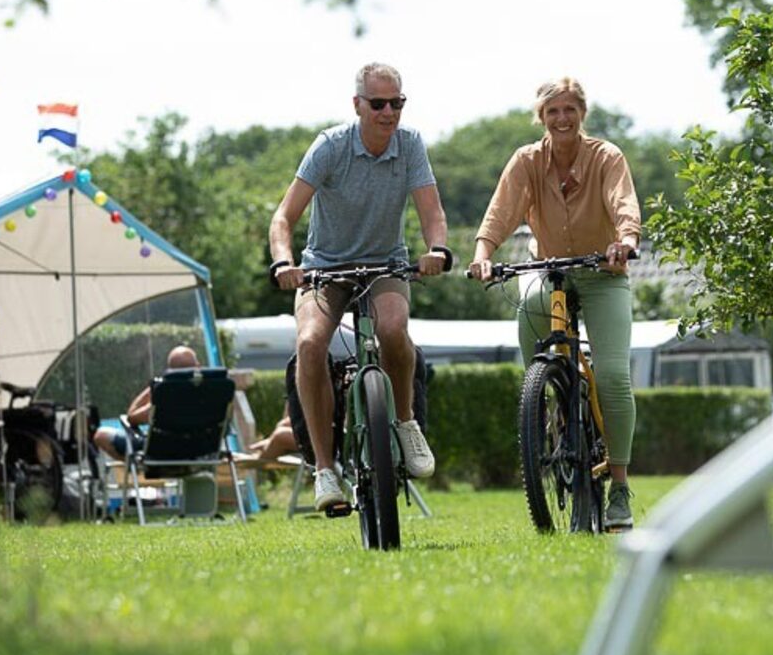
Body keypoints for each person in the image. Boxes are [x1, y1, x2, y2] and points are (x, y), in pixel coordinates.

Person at [268, 62, 451, 512]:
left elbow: (432, 213)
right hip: (325, 268)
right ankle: (325, 470)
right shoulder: (330, 146)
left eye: (397, 103)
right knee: (310, 344)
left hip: (384, 263)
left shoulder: (410, 146)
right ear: (358, 105)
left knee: (393, 329)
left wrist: (438, 250)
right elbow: (283, 218)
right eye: (378, 104)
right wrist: (283, 262)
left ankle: (405, 422)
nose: (389, 112)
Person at [469, 77, 642, 531]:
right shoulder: (527, 161)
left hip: (603, 273)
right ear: (541, 118)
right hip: (550, 269)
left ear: (582, 113)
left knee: (612, 376)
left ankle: (620, 485)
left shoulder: (606, 157)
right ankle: (548, 400)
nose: (561, 119)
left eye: (569, 110)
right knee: (529, 312)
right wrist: (483, 255)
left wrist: (625, 240)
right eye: (552, 112)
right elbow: (500, 212)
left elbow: (622, 203)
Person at [92, 344, 200, 461]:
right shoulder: (211, 393)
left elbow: (132, 417)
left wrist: (155, 387)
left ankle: (142, 469)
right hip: (200, 450)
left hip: (162, 451)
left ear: (170, 371)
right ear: (198, 367)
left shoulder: (167, 397)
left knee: (100, 435)